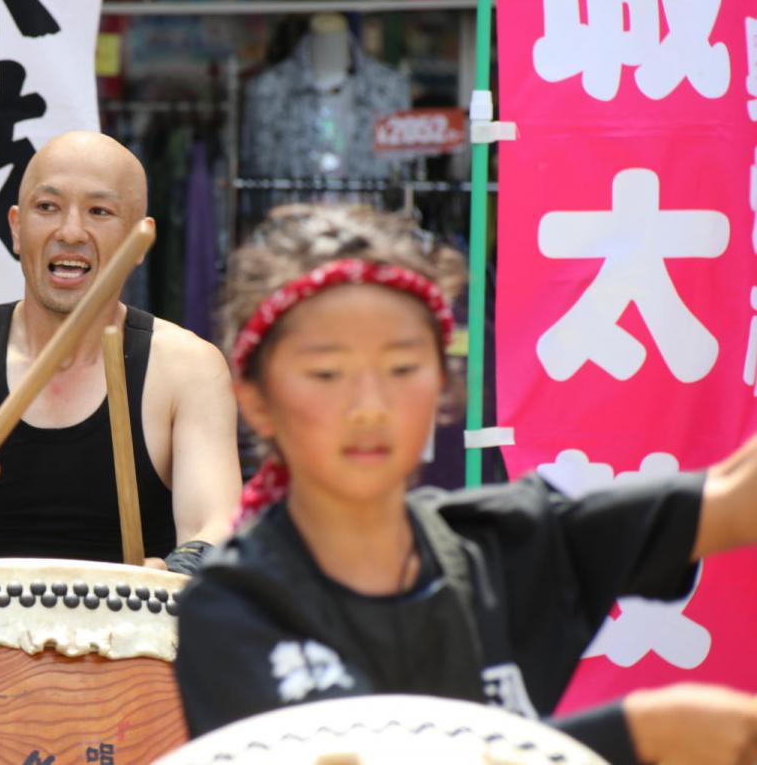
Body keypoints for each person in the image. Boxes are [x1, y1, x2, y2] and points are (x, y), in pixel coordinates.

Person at [174, 204, 757, 765]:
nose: (369, 407)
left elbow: (732, 500)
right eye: (327, 374)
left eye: (403, 369)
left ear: (443, 384)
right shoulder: (234, 605)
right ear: (255, 402)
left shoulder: (508, 539)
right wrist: (639, 735)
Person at [0, 131, 240, 574]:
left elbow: (215, 526)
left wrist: (174, 579)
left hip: (128, 635)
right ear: (16, 227)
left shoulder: (188, 369)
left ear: (139, 240)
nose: (70, 231)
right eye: (47, 207)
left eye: (99, 211)